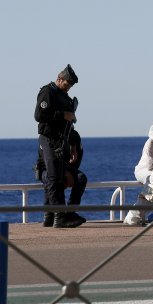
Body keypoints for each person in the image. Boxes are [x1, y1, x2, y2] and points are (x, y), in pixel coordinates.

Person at [34, 64, 85, 228]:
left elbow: (68, 127)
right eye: (67, 84)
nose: (68, 87)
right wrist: (63, 114)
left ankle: (52, 215)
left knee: (59, 176)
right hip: (49, 138)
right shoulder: (48, 92)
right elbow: (39, 115)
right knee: (54, 177)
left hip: (60, 141)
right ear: (59, 78)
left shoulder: (63, 97)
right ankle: (59, 216)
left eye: (70, 85)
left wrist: (74, 144)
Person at [36, 129, 88, 227]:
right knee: (54, 178)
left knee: (81, 178)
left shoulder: (74, 136)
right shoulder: (46, 136)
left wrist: (69, 172)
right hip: (46, 170)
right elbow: (48, 163)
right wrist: (65, 173)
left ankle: (70, 212)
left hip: (66, 168)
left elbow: (77, 158)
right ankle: (49, 214)